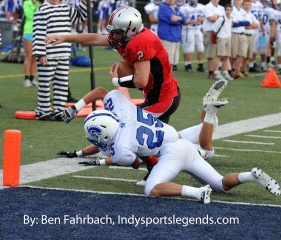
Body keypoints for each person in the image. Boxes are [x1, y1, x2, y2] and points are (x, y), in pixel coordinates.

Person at [58, 84, 281, 203]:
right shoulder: (121, 107)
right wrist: (75, 110)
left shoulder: (121, 149)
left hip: (170, 153)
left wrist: (102, 159)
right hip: (175, 139)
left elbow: (135, 162)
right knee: (222, 183)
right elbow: (99, 92)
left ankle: (197, 192)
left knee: (152, 189)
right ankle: (250, 175)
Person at [46, 6, 181, 124]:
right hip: (153, 95)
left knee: (125, 126)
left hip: (164, 99)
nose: (113, 36)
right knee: (159, 141)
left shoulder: (141, 41)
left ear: (131, 29)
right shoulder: (127, 37)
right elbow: (96, 38)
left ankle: (195, 151)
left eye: (117, 32)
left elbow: (141, 81)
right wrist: (65, 37)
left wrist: (115, 80)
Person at [32, 0, 79, 120]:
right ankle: (43, 111)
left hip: (63, 53)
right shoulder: (42, 10)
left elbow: (80, 17)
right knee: (45, 83)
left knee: (62, 83)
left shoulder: (67, 8)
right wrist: (41, 54)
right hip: (48, 54)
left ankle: (58, 110)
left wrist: (85, 2)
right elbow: (38, 33)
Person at [157, 0, 187, 71]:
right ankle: (163, 80)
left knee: (172, 62)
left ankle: (168, 80)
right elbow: (172, 20)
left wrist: (179, 18)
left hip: (176, 37)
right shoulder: (163, 7)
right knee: (166, 62)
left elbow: (184, 19)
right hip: (167, 37)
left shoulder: (175, 8)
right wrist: (180, 20)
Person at [181, 0, 205, 73]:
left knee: (201, 48)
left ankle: (200, 64)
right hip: (189, 29)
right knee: (189, 48)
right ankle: (188, 65)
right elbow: (182, 20)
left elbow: (205, 19)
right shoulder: (184, 7)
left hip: (198, 29)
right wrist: (191, 21)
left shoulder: (202, 7)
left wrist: (202, 19)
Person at [202, 0, 225, 79]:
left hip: (220, 32)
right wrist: (220, 17)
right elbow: (211, 18)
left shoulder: (221, 8)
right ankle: (211, 71)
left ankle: (217, 70)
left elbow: (224, 19)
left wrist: (218, 17)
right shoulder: (207, 7)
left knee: (219, 53)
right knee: (211, 53)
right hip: (210, 31)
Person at [213, 4, 234, 81]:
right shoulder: (221, 19)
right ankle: (216, 72)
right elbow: (214, 29)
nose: (228, 11)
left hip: (228, 38)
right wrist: (217, 37)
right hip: (222, 38)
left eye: (230, 10)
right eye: (227, 10)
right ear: (225, 10)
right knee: (219, 56)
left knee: (226, 56)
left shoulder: (231, 18)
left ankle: (225, 72)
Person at [22, 0, 40, 88]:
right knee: (28, 56)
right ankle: (26, 79)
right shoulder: (27, 3)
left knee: (35, 57)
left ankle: (32, 78)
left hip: (38, 31)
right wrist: (37, 9)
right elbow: (29, 15)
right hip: (28, 32)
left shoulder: (38, 4)